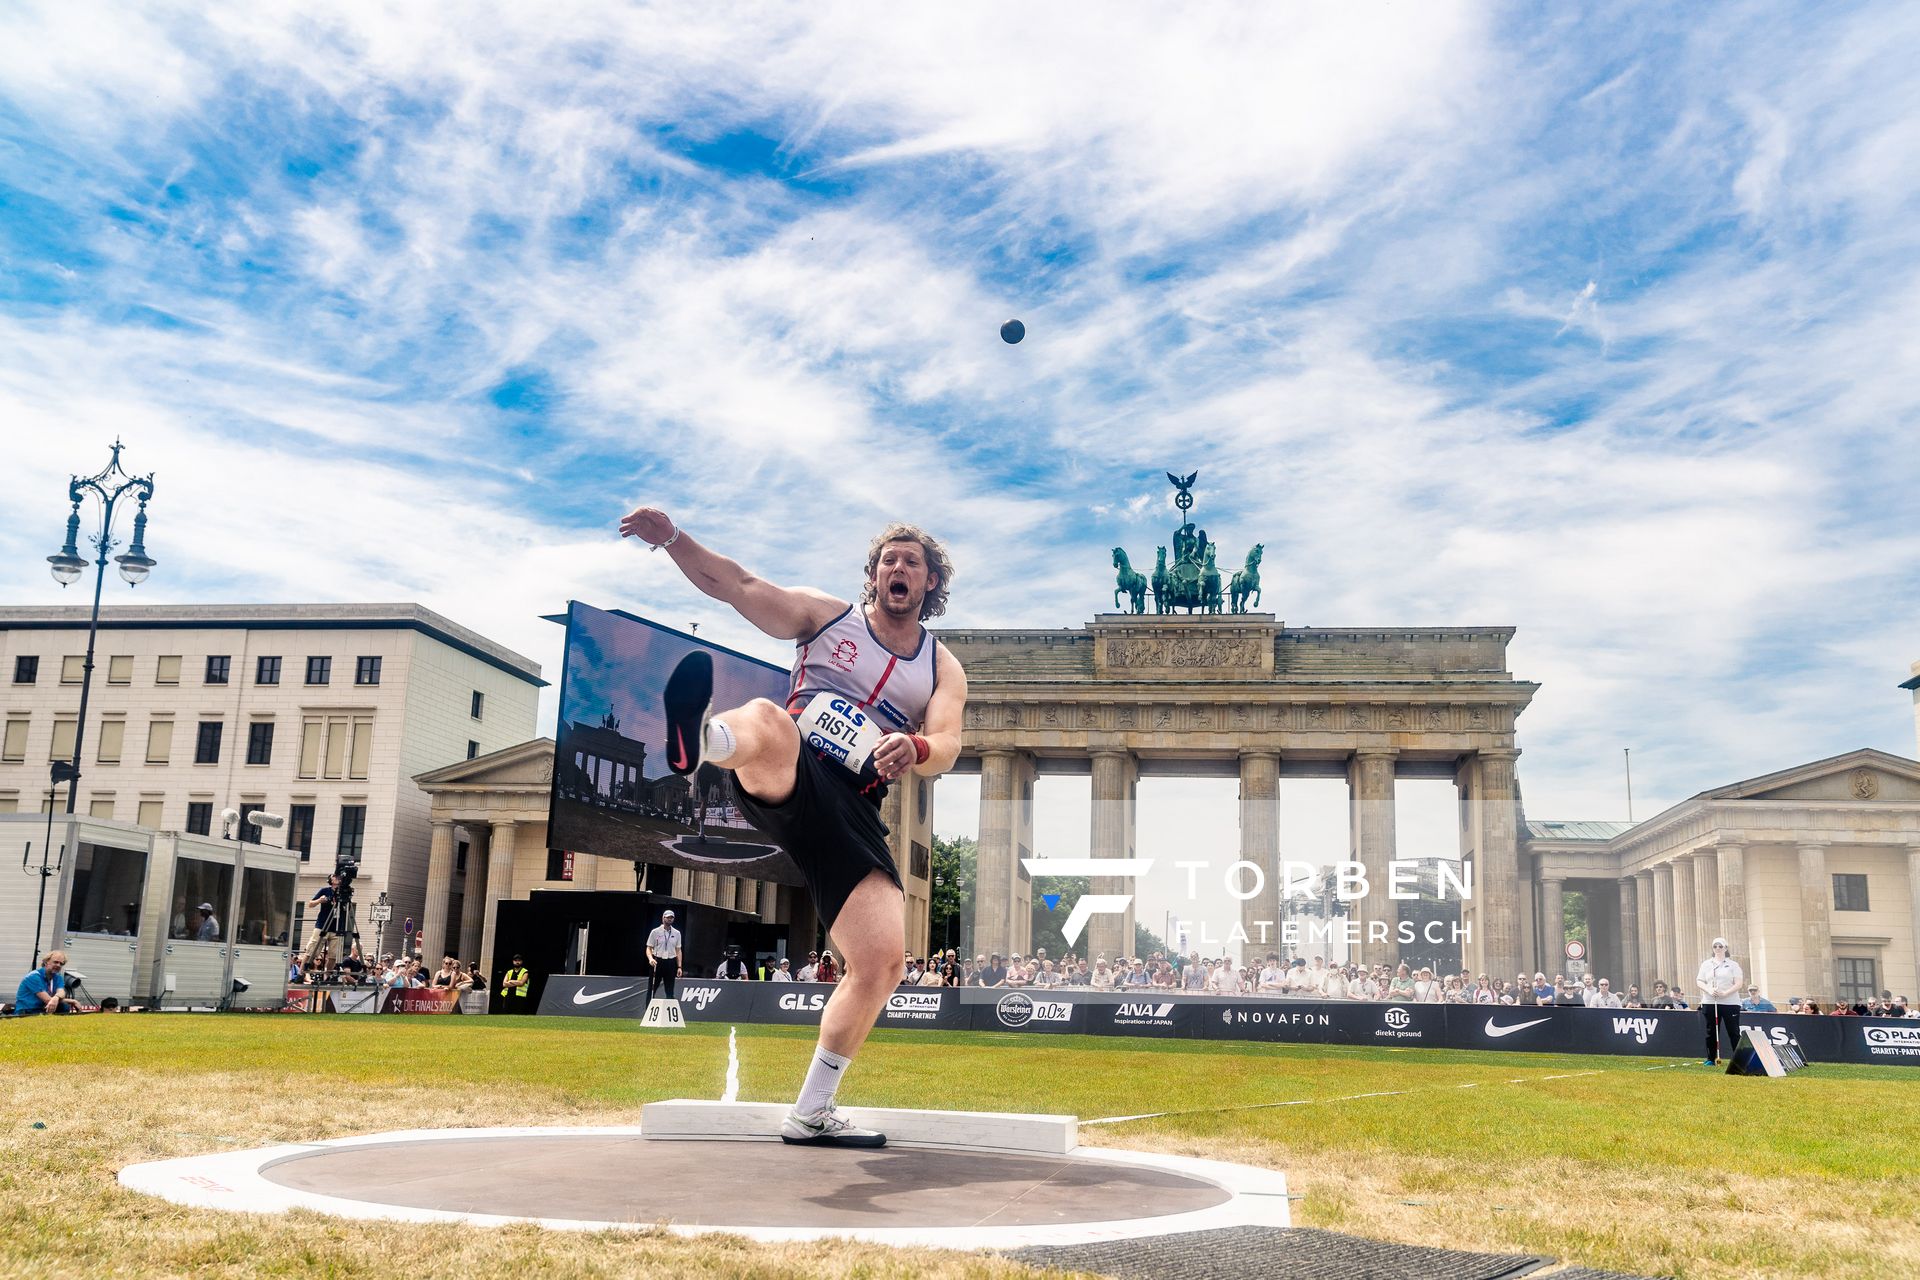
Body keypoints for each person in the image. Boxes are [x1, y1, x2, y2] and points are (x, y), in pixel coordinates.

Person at [625, 510, 966, 1149]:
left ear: (929, 582)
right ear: (873, 575)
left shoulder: (942, 667)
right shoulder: (827, 617)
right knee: (770, 720)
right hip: (794, 770)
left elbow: (947, 741)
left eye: (911, 563)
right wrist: (672, 539)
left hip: (855, 809)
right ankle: (703, 737)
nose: (898, 569)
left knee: (881, 964)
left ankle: (811, 1111)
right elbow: (738, 585)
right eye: (888, 560)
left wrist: (916, 747)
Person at [1696, 937, 1744, 1066]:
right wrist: (1709, 990)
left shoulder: (1733, 965)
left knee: (1733, 1031)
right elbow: (1699, 981)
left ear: (1725, 948)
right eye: (1715, 946)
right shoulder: (1706, 964)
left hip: (1730, 1003)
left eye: (1720, 946)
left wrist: (1725, 993)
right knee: (1711, 1031)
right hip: (1710, 1002)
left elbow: (1739, 983)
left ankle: (1738, 1059)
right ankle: (1711, 1059)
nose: (1717, 949)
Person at [14, 951, 72, 1016]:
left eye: (61, 964)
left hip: (41, 1008)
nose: (58, 965)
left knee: (64, 1006)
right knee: (62, 1005)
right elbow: (48, 1000)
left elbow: (61, 992)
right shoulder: (33, 976)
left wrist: (56, 997)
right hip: (27, 1010)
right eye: (56, 962)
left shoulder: (57, 977)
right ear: (46, 962)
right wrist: (73, 1001)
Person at [303, 874, 341, 964]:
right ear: (330, 880)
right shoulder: (325, 891)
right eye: (334, 876)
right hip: (322, 925)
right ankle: (301, 973)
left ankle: (327, 976)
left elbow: (349, 909)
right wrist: (319, 900)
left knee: (333, 956)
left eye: (339, 876)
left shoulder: (343, 893)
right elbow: (310, 904)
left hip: (336, 927)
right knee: (311, 951)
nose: (337, 877)